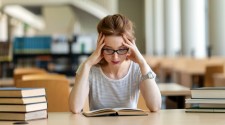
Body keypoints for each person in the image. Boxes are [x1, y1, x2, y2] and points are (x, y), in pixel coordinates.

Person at [69, 14, 161, 113]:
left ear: (130, 46)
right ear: (100, 46)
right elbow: (75, 108)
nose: (115, 57)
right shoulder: (89, 68)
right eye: (108, 49)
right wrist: (87, 64)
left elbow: (155, 106)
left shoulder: (138, 68)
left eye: (121, 50)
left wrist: (142, 63)